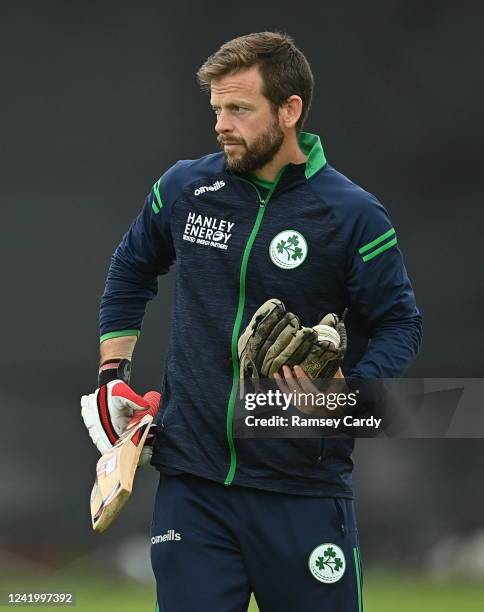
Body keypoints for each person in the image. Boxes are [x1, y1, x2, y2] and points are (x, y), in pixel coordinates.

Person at [82, 32, 422, 612]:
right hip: (193, 488)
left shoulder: (352, 214)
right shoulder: (186, 188)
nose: (221, 123)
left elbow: (399, 324)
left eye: (239, 108)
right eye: (216, 108)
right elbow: (131, 268)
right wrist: (113, 370)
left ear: (290, 111)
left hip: (303, 491)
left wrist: (344, 396)